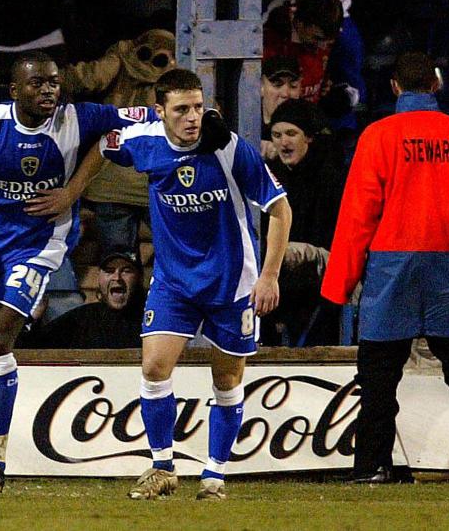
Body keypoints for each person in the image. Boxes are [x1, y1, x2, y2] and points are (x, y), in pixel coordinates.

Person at [0, 51, 158, 500]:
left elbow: (145, 119)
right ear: (14, 91)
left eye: (54, 83)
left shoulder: (78, 119)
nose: (48, 91)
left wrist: (74, 190)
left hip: (37, 244)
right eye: (38, 84)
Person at [95, 69, 292, 499]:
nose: (193, 117)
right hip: (174, 283)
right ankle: (162, 466)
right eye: (181, 109)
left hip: (231, 283)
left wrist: (269, 275)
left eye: (199, 107)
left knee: (226, 381)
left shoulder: (229, 149)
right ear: (161, 110)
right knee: (153, 368)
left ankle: (214, 475)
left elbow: (280, 209)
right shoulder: (143, 142)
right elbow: (101, 140)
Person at [321, 52, 449, 483]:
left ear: (393, 88)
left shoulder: (378, 136)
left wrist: (340, 284)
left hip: (393, 264)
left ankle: (373, 465)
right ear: (437, 84)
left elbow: (357, 217)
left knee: (378, 375)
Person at [63, 29, 177, 261]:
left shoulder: (132, 67)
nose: (150, 63)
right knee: (164, 256)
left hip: (128, 186)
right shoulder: (124, 67)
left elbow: (76, 79)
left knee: (118, 258)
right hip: (134, 186)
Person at [262, 99, 345, 345]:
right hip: (277, 273)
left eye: (291, 134)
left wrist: (305, 253)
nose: (283, 142)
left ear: (308, 137)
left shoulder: (330, 177)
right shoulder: (268, 174)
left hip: (320, 274)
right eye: (277, 135)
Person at [18, 250, 144, 349]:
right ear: (98, 277)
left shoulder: (152, 320)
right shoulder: (80, 319)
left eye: (126, 271)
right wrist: (32, 320)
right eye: (109, 271)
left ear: (140, 278)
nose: (117, 277)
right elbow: (29, 351)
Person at [260, 55, 303, 160]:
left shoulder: (310, 122)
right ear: (261, 86)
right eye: (277, 85)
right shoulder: (244, 122)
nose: (285, 94)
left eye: (293, 86)